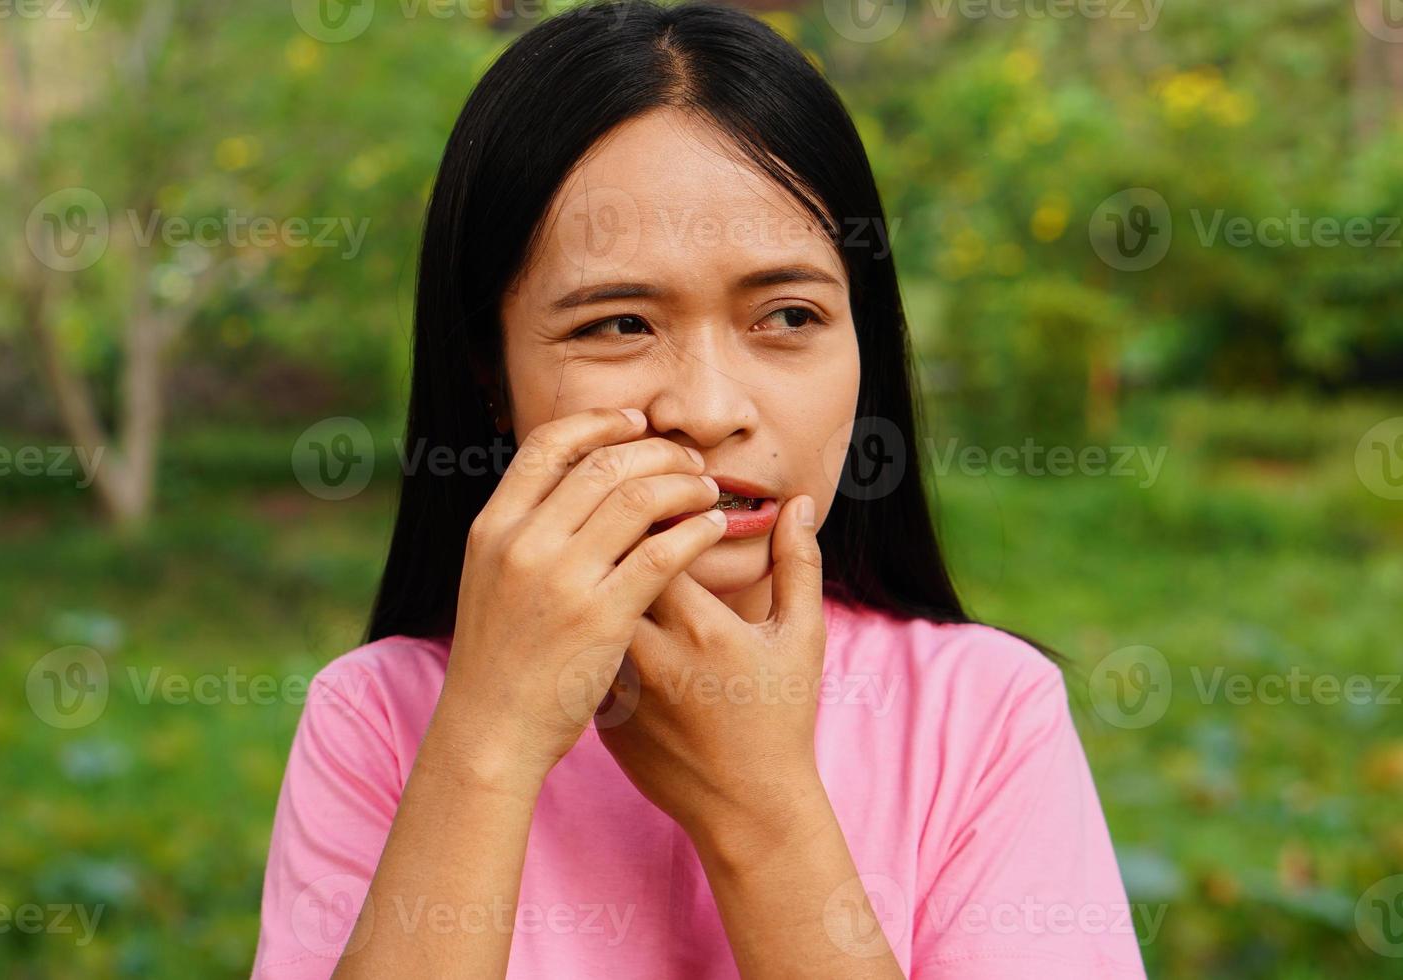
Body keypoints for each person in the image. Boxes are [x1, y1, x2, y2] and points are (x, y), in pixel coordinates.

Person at [252, 1, 1148, 976]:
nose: (711, 407)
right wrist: (490, 741)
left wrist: (759, 809)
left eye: (790, 314)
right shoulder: (380, 721)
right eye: (620, 324)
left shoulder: (982, 716)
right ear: (489, 373)